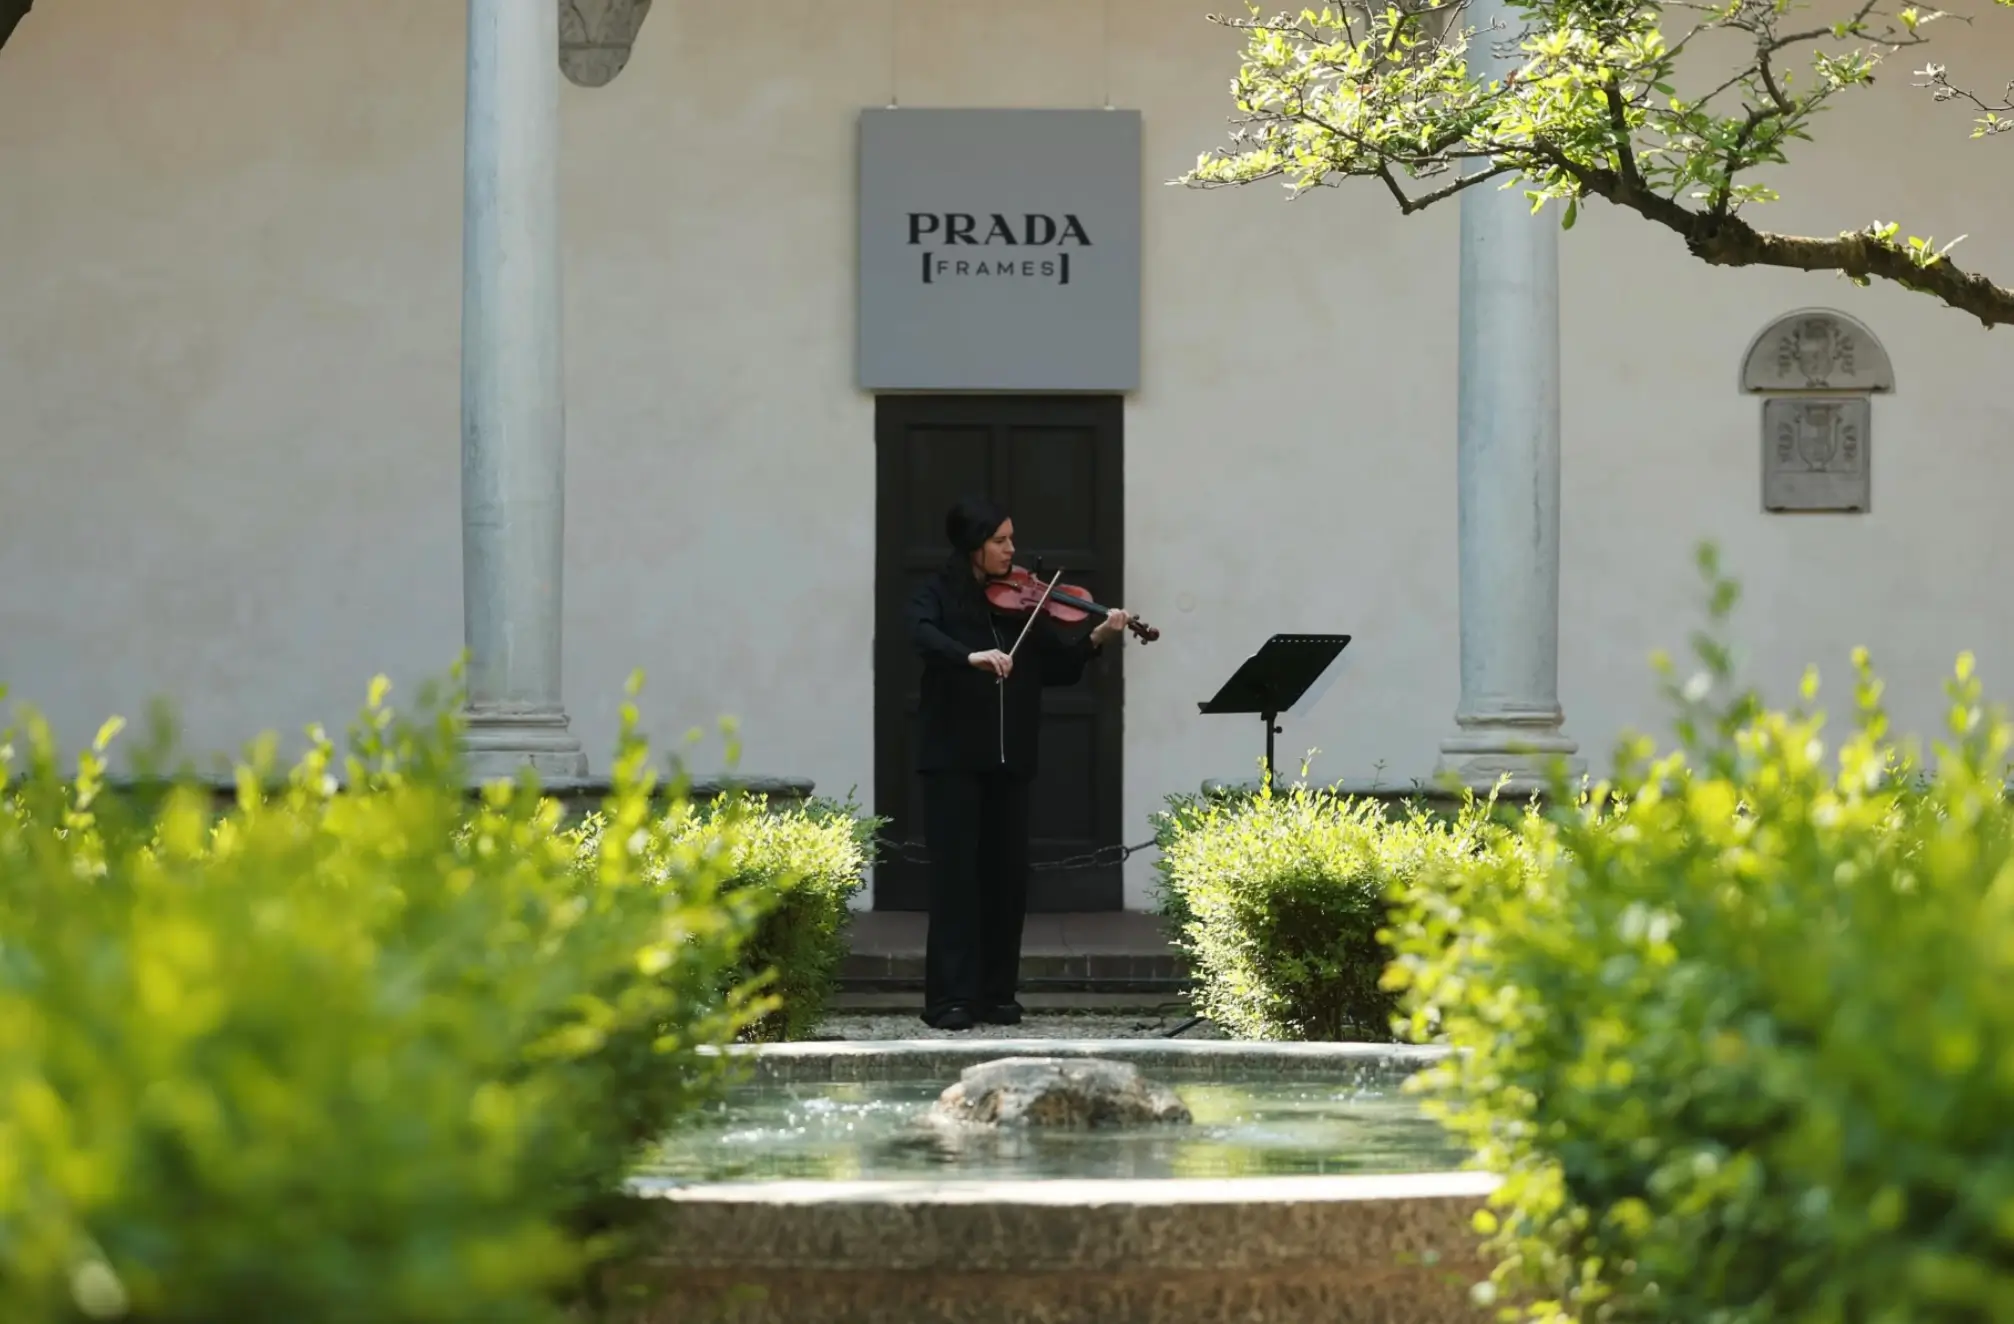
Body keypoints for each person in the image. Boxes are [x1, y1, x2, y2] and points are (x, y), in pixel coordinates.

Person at [907, 497, 1131, 1031]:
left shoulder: (1025, 606)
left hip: (1011, 761)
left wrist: (1097, 638)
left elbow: (1059, 668)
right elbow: (920, 634)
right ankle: (949, 999)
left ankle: (997, 994)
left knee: (1005, 883)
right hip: (953, 761)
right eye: (1000, 540)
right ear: (973, 546)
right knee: (956, 882)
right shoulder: (936, 596)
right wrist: (970, 657)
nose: (1012, 550)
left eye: (1011, 539)